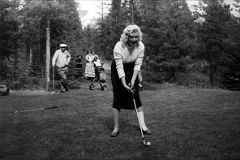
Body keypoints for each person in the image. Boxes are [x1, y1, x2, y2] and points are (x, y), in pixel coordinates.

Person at [110, 24, 152, 137]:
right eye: (131, 37)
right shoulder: (119, 46)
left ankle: (143, 126)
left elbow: (138, 65)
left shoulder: (141, 46)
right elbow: (119, 67)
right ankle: (116, 128)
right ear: (126, 36)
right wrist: (123, 83)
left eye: (136, 37)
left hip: (132, 68)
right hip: (118, 69)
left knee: (136, 96)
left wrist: (133, 80)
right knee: (118, 97)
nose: (134, 39)